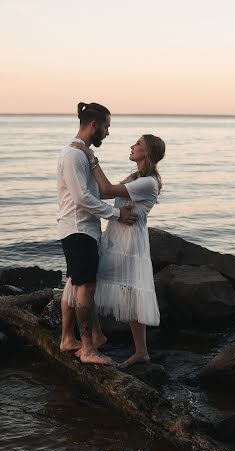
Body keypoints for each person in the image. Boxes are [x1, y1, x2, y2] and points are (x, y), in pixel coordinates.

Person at [70, 133, 166, 368]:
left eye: (138, 144)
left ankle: (108, 341)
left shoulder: (148, 182)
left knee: (101, 285)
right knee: (95, 283)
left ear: (148, 152)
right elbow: (103, 192)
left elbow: (107, 189)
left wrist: (91, 159)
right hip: (119, 240)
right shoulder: (136, 177)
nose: (132, 146)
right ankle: (104, 338)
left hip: (130, 244)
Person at [57, 102, 137, 366]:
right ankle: (88, 348)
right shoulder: (73, 155)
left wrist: (129, 184)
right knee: (86, 289)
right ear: (94, 125)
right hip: (79, 229)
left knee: (76, 284)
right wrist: (117, 215)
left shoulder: (83, 155)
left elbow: (98, 192)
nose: (108, 133)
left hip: (82, 229)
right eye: (106, 127)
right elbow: (82, 199)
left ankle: (69, 340)